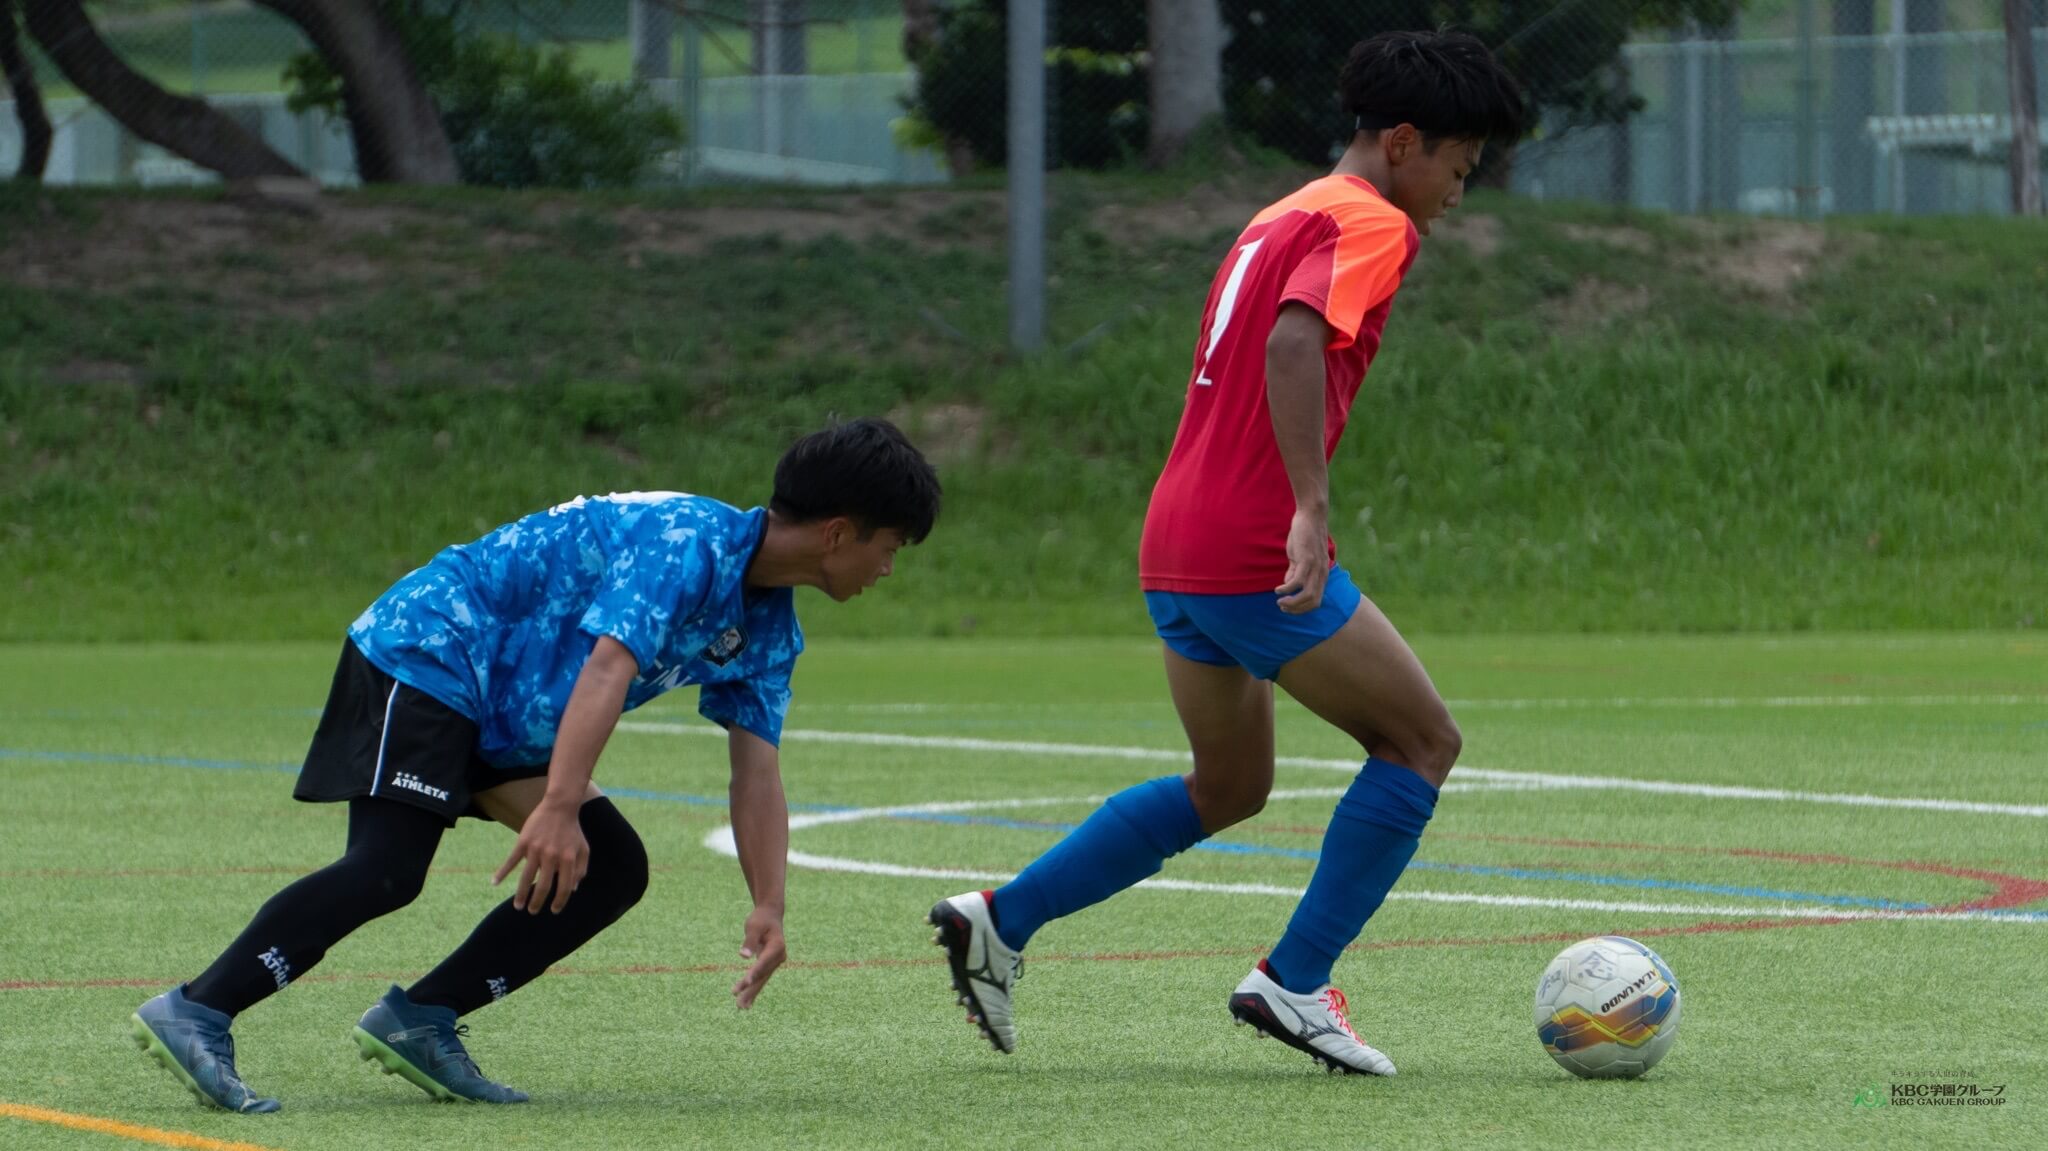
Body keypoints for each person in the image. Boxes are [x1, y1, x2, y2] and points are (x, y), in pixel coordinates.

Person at [928, 30, 1526, 1075]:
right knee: (1421, 742)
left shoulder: (1280, 212)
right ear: (1401, 142)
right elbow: (1293, 343)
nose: (1456, 194)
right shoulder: (1373, 220)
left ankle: (1002, 918)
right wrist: (1309, 505)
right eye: (1459, 167)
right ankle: (1295, 978)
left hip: (1175, 538)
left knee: (1230, 783)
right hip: (1250, 541)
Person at [132, 418, 940, 1112]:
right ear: (839, 532)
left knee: (611, 866)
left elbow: (756, 771)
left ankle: (422, 1018)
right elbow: (608, 667)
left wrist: (769, 903)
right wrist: (557, 802)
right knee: (387, 868)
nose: (888, 568)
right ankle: (198, 1008)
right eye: (890, 547)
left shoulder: (769, 631)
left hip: (506, 708)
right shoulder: (687, 542)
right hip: (435, 646)